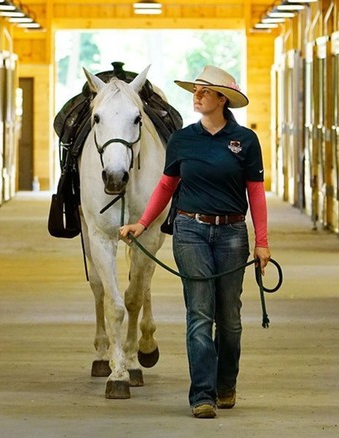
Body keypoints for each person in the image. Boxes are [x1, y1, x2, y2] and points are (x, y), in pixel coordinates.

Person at [119, 65, 271, 419]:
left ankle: (225, 383)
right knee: (200, 314)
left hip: (232, 234)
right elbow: (166, 186)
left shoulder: (245, 141)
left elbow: (257, 194)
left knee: (229, 318)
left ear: (222, 99)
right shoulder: (182, 139)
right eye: (195, 90)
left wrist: (261, 242)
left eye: (204, 90)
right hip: (190, 232)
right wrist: (142, 224)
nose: (197, 94)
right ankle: (202, 394)